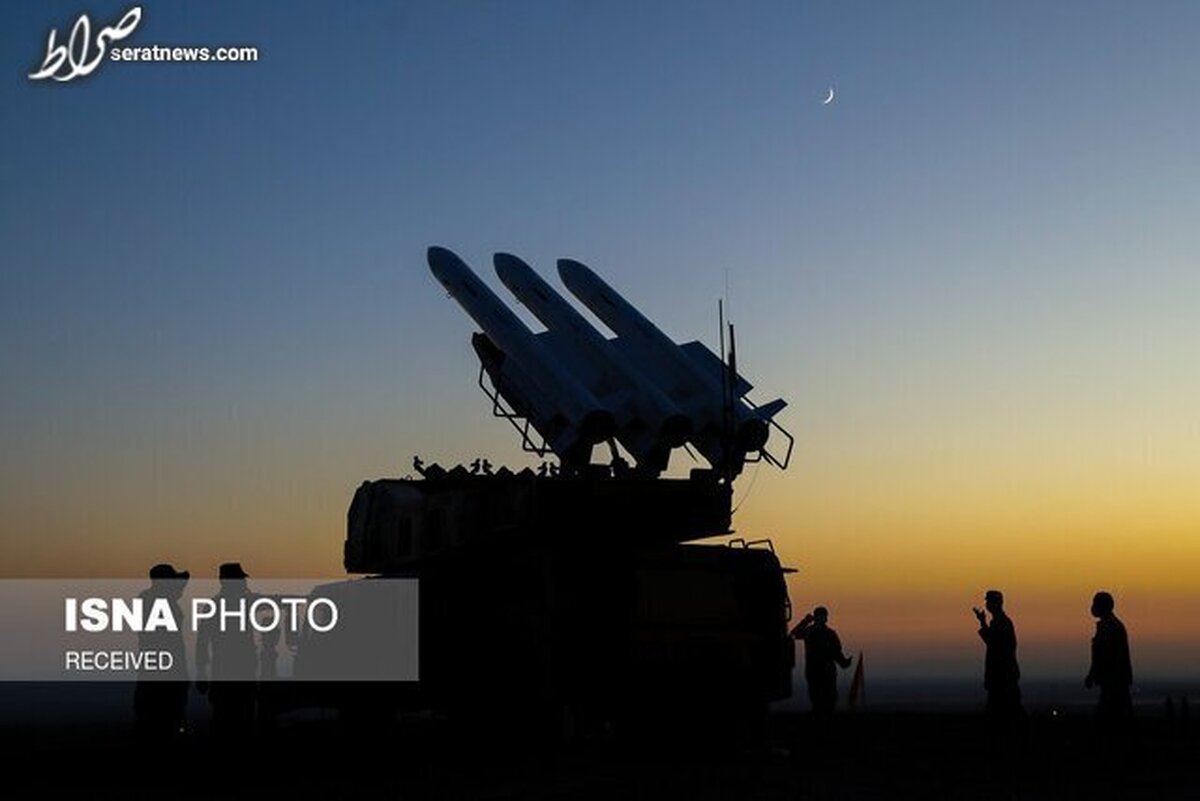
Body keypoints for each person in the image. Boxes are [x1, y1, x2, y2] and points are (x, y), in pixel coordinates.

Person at [195, 562, 259, 739]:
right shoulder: (216, 607)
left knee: (236, 721)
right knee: (227, 723)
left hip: (238, 674)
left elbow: (202, 642)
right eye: (239, 580)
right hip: (228, 674)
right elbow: (202, 642)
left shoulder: (242, 603)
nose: (244, 584)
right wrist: (201, 672)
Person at [133, 563, 190, 741]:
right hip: (165, 672)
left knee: (155, 720)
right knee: (163, 722)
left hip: (155, 669)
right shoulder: (157, 602)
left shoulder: (149, 599)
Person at [973, 589, 1024, 739]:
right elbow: (994, 644)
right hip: (1002, 678)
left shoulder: (1002, 623)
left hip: (1003, 678)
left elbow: (998, 648)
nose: (987, 604)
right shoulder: (999, 622)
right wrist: (983, 622)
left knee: (1004, 717)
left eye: (989, 601)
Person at [790, 606, 853, 721]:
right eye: (820, 616)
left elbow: (836, 652)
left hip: (827, 671)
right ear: (816, 618)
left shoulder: (830, 634)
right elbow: (794, 634)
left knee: (830, 697)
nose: (822, 618)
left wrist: (844, 662)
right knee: (817, 698)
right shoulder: (809, 632)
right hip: (814, 671)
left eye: (824, 616)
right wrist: (805, 622)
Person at [1085, 591, 1134, 739]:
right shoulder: (1110, 626)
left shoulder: (1110, 627)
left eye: (1096, 604)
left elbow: (1106, 655)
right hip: (1113, 681)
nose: (1093, 608)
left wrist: (1094, 674)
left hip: (1114, 682)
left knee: (1112, 720)